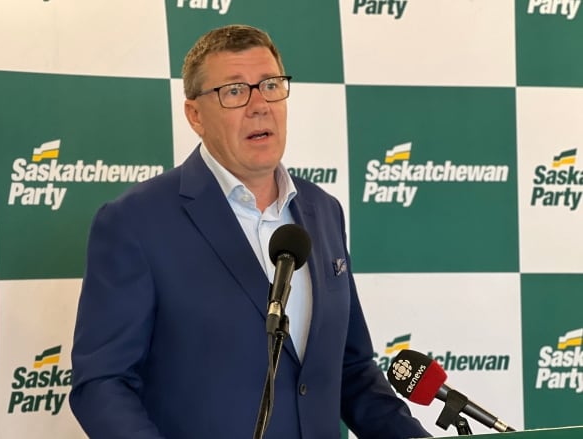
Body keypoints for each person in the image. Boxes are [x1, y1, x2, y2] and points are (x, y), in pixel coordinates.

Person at [69, 24, 430, 439]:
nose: (260, 105)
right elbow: (102, 383)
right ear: (195, 115)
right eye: (235, 91)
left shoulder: (323, 212)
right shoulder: (134, 222)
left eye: (271, 85)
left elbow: (350, 369)